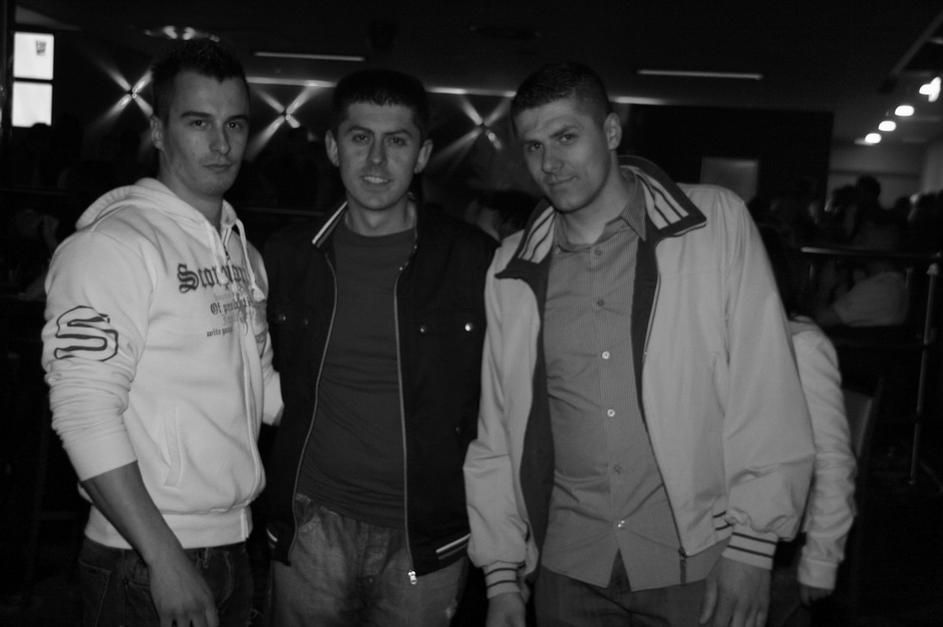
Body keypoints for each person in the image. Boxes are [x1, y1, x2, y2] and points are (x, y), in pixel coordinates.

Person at [463, 62, 815, 627]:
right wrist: (502, 575)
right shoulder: (511, 265)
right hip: (566, 567)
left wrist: (754, 546)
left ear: (610, 131)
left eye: (566, 136)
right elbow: (498, 431)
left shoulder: (714, 223)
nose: (549, 163)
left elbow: (766, 387)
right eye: (533, 146)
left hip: (697, 563)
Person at [41, 39, 281, 626]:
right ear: (157, 130)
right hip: (144, 557)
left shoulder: (242, 253)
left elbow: (264, 392)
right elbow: (83, 412)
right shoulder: (112, 244)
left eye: (235, 124)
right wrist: (164, 557)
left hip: (232, 542)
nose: (221, 144)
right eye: (198, 122)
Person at [263, 69, 495, 626]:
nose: (375, 159)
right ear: (332, 147)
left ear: (423, 155)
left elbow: (502, 404)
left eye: (397, 141)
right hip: (312, 522)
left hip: (426, 534)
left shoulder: (473, 262)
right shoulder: (287, 258)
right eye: (360, 137)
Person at [760, 228, 856, 626]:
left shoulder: (802, 343)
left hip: (779, 547)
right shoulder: (726, 335)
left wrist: (820, 561)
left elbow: (833, 460)